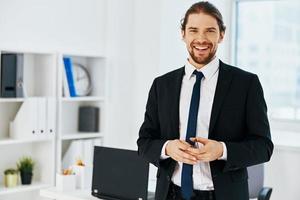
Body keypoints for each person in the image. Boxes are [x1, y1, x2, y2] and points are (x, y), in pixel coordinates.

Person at [137, 1, 273, 200]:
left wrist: (222, 150)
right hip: (170, 194)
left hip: (223, 195)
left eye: (210, 31)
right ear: (183, 34)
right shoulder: (162, 85)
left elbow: (263, 147)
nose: (201, 39)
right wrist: (168, 148)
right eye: (193, 30)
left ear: (222, 34)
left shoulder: (246, 84)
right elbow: (144, 142)